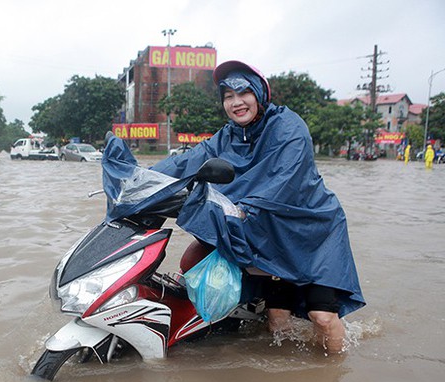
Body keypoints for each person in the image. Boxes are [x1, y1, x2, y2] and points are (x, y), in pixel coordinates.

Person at [149, 60, 365, 354]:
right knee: (277, 321)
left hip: (312, 236)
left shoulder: (288, 127)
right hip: (271, 236)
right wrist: (143, 179)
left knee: (323, 317)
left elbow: (284, 182)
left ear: (260, 93)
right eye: (228, 96)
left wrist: (241, 209)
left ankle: (332, 379)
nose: (236, 102)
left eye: (243, 93)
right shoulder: (227, 137)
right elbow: (187, 161)